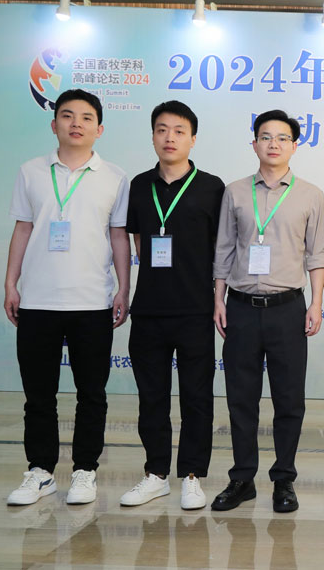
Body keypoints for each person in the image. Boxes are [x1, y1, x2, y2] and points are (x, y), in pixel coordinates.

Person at [5, 89, 130, 506]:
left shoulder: (114, 176)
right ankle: (40, 472)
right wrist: (11, 283)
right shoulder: (31, 171)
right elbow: (23, 228)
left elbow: (118, 236)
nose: (77, 123)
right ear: (53, 123)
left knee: (91, 394)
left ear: (99, 129)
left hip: (92, 302)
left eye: (86, 117)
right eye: (67, 115)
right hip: (37, 301)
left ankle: (84, 471)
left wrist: (124, 287)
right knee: (38, 395)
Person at [210, 110, 324, 513]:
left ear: (294, 146)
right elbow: (224, 249)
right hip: (241, 307)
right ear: (254, 144)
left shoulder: (311, 194)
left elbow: (317, 254)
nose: (273, 144)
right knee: (241, 398)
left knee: (289, 400)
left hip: (288, 308)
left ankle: (283, 479)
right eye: (265, 137)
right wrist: (218, 299)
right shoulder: (234, 192)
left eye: (282, 138)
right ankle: (242, 478)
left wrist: (316, 303)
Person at [119, 101, 225, 510]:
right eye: (162, 130)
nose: (170, 138)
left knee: (197, 397)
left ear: (193, 139)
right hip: (148, 309)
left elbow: (221, 249)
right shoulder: (139, 185)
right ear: (152, 136)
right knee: (152, 397)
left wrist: (217, 299)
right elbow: (137, 241)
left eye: (179, 131)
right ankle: (156, 474)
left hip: (195, 309)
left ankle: (193, 476)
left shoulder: (212, 187)